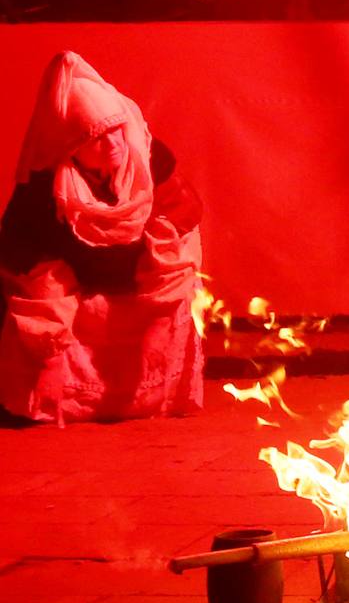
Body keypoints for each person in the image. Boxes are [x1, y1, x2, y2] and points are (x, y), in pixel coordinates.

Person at [0, 52, 203, 424]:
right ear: (70, 147)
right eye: (94, 137)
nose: (111, 144)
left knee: (178, 279)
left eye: (115, 131)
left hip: (140, 283)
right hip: (77, 294)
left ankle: (155, 393)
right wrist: (50, 346)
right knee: (47, 310)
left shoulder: (149, 160)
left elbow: (182, 223)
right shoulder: (43, 192)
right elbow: (27, 261)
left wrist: (160, 305)